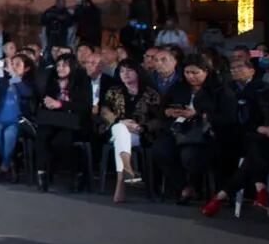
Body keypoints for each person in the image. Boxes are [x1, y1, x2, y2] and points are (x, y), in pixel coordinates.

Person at [203, 55, 269, 217]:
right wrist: (263, 128)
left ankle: (224, 195)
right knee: (256, 144)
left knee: (254, 150)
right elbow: (252, 121)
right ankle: (260, 192)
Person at [152, 54, 218, 205]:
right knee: (160, 151)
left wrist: (197, 113)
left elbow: (221, 113)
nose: (191, 77)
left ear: (206, 71)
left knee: (189, 156)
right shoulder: (179, 86)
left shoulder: (214, 89)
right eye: (187, 73)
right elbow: (161, 108)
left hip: (200, 132)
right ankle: (184, 187)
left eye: (195, 73)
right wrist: (168, 112)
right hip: (177, 128)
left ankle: (195, 186)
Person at [100, 59, 156, 202]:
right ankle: (126, 171)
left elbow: (158, 118)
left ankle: (123, 177)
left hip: (139, 133)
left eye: (129, 70)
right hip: (115, 130)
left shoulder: (150, 93)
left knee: (122, 135)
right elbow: (104, 111)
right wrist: (119, 121)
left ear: (138, 72)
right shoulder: (114, 91)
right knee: (120, 129)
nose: (125, 74)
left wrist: (141, 127)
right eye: (122, 71)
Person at [34, 54, 89, 192]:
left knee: (64, 140)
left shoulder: (82, 80)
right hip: (52, 119)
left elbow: (84, 106)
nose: (60, 68)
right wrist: (47, 102)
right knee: (42, 136)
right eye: (58, 65)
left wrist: (61, 104)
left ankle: (77, 174)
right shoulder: (52, 79)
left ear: (72, 66)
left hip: (73, 121)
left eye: (64, 65)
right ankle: (41, 174)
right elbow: (46, 98)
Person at [0, 54, 36, 183]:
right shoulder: (3, 81)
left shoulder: (28, 82)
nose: (13, 67)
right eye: (12, 64)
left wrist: (14, 76)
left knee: (10, 134)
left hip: (18, 120)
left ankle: (4, 167)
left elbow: (27, 93)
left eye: (18, 64)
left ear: (26, 69)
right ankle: (11, 162)